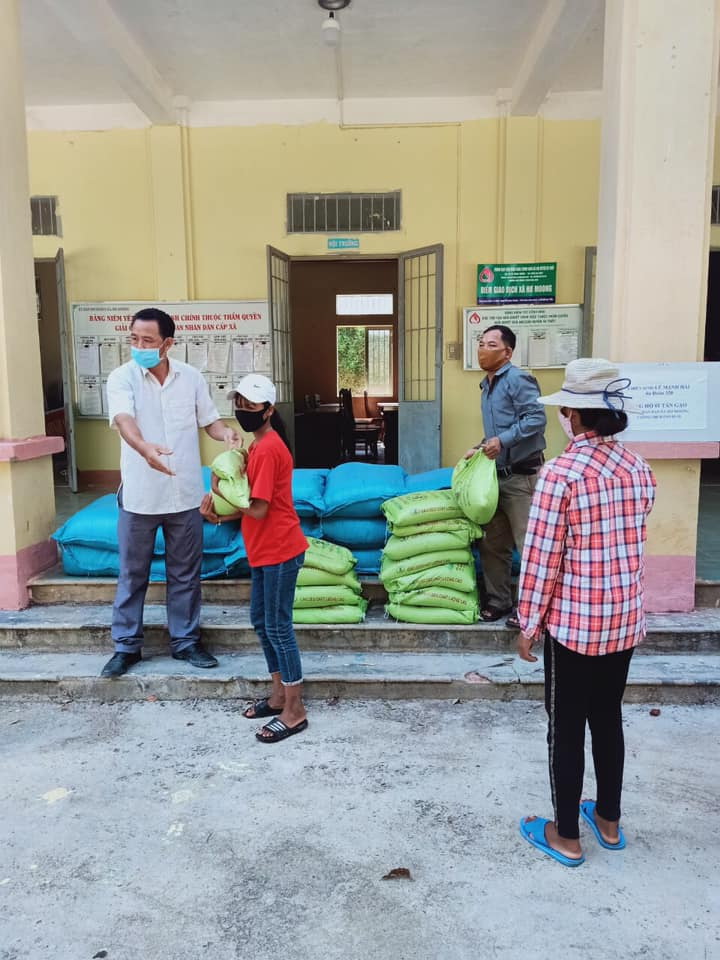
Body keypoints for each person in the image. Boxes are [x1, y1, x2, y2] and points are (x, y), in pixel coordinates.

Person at [516, 358, 656, 867]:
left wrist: (528, 623)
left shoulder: (561, 474)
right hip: (623, 619)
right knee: (607, 716)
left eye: (566, 410)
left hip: (574, 625)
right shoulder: (639, 469)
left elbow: (542, 557)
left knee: (566, 726)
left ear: (573, 415)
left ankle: (566, 835)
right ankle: (609, 820)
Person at [101, 307, 237, 678]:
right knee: (133, 574)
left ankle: (186, 642)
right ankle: (126, 647)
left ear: (167, 344)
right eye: (134, 339)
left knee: (185, 574)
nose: (139, 346)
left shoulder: (190, 378)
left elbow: (209, 421)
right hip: (140, 495)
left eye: (148, 340)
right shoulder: (122, 377)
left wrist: (226, 433)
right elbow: (124, 420)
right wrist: (144, 448)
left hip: (185, 494)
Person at [199, 374, 309, 743]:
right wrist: (218, 517)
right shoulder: (258, 446)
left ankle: (295, 710)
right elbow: (254, 507)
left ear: (269, 410)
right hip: (264, 549)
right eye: (239, 404)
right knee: (261, 622)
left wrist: (218, 489)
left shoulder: (268, 449)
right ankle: (278, 696)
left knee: (278, 627)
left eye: (251, 405)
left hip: (279, 549)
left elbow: (259, 509)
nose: (243, 410)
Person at [464, 324, 546, 627]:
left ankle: (532, 611)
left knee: (530, 547)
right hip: (495, 478)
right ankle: (499, 602)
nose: (482, 350)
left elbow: (536, 418)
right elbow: (497, 431)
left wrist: (503, 440)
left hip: (522, 478)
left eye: (491, 345)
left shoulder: (518, 379)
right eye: (481, 343)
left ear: (507, 352)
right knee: (493, 544)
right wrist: (480, 448)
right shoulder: (487, 385)